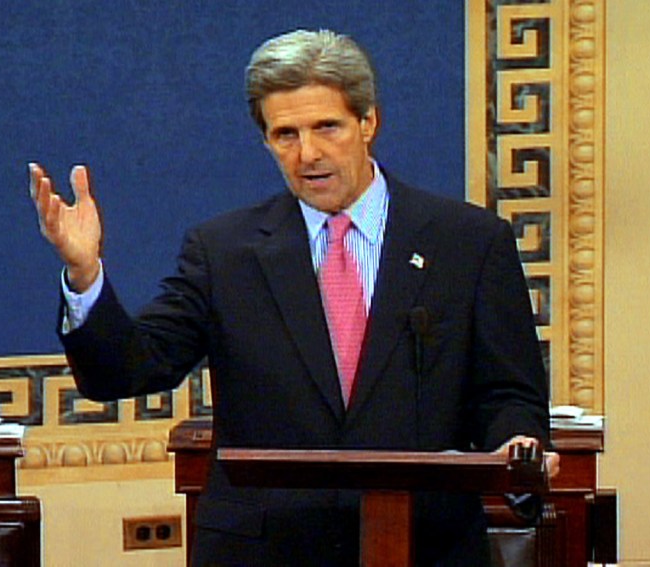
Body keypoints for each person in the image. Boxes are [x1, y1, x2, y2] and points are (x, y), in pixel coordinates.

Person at [30, 29, 558, 567]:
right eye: (286, 134)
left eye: (327, 126)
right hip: (265, 550)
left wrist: (517, 443)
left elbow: (508, 393)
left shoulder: (467, 242)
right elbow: (128, 369)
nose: (308, 154)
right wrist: (84, 272)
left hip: (424, 545)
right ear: (266, 141)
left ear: (368, 122)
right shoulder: (224, 252)